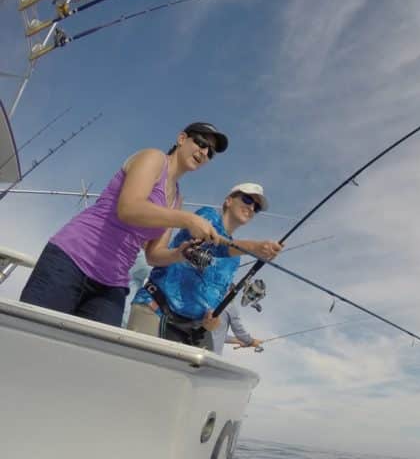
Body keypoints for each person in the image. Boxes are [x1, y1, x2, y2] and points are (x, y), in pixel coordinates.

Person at [19, 122, 227, 326]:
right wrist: (188, 219)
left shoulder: (177, 198)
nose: (204, 152)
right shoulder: (153, 158)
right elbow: (129, 208)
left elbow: (153, 254)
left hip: (112, 282)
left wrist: (180, 253)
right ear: (182, 139)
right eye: (201, 143)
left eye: (210, 152)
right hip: (71, 260)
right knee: (29, 340)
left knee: (94, 356)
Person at [127, 182, 281, 350]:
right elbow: (215, 244)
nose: (251, 207)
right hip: (155, 310)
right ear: (228, 201)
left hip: (192, 330)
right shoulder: (206, 217)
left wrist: (211, 321)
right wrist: (254, 248)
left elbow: (216, 296)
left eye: (256, 207)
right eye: (247, 199)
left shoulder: (235, 259)